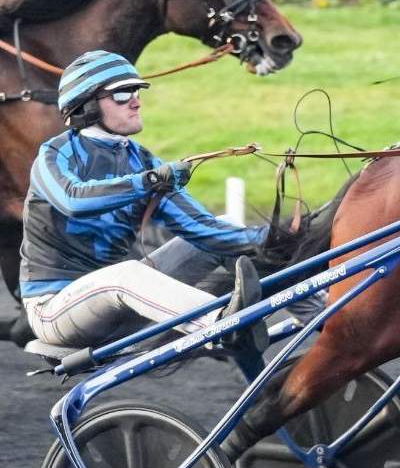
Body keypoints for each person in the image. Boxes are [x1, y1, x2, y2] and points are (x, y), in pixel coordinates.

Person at [19, 50, 281, 352]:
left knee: (227, 225)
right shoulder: (54, 154)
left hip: (122, 306)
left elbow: (203, 229)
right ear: (87, 106)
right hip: (54, 309)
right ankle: (222, 325)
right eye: (122, 93)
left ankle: (316, 312)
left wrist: (286, 237)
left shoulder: (142, 160)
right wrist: (150, 181)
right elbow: (74, 199)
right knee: (127, 273)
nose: (136, 100)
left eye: (136, 91)